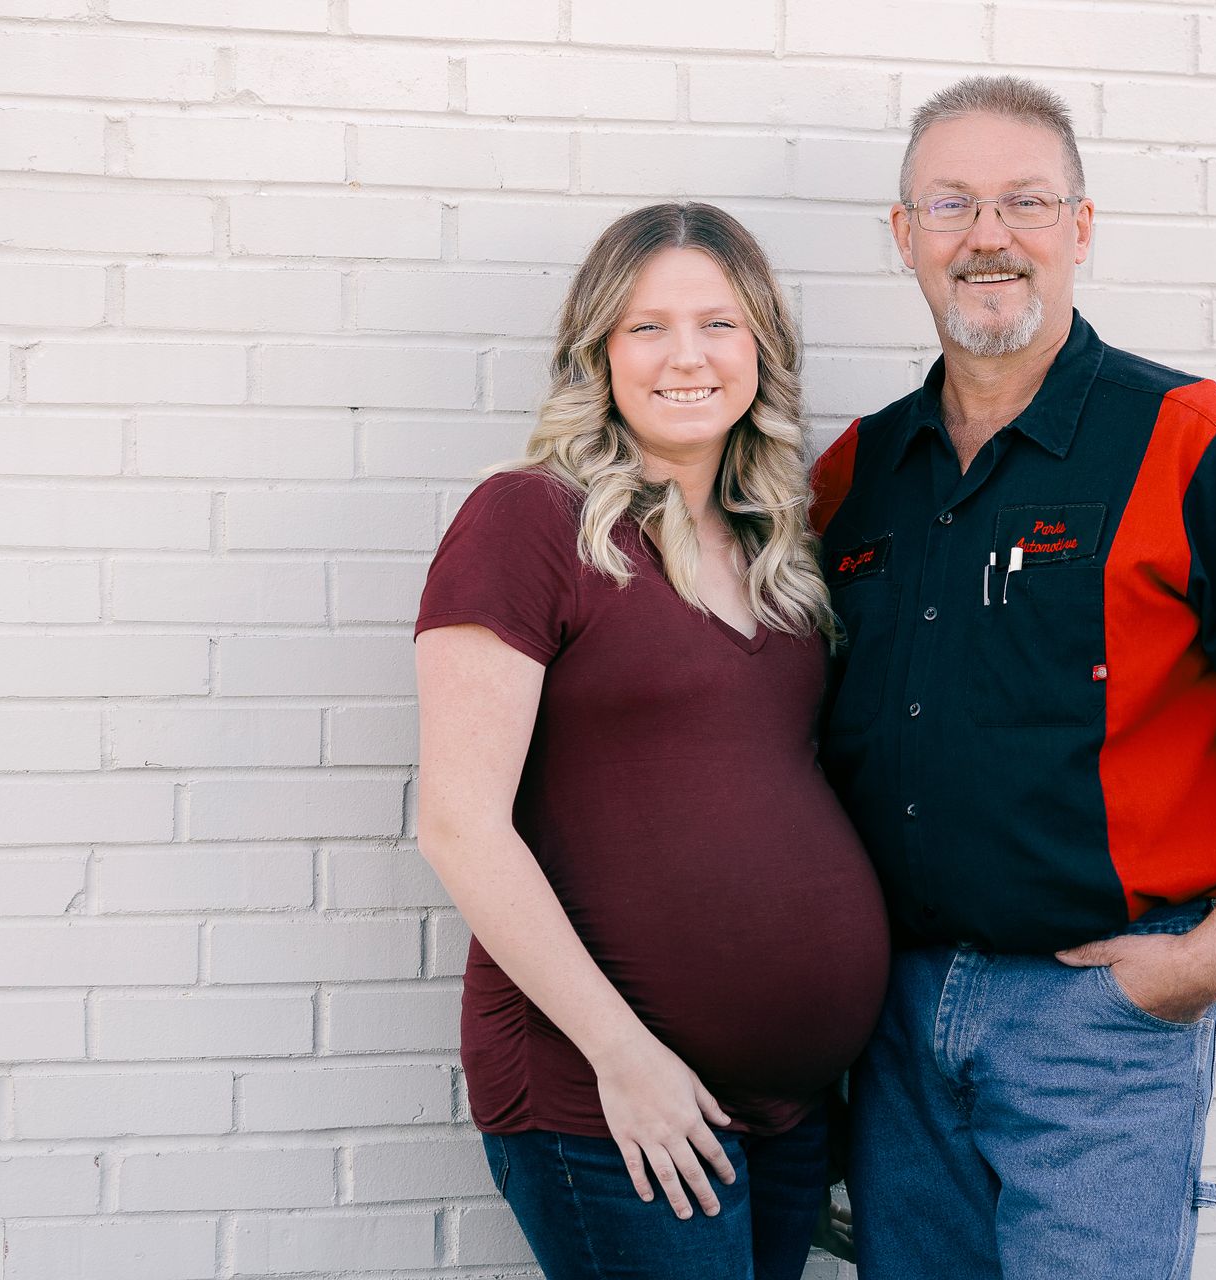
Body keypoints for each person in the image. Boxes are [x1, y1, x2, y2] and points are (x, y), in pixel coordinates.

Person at [809, 75, 1216, 1278]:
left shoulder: (1204, 446)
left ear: (1081, 228)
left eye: (1026, 201)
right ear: (904, 236)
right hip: (891, 1024)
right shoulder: (855, 474)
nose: (989, 235)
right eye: (951, 204)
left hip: (1096, 1024)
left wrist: (1213, 957)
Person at [412, 201, 889, 1280]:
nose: (687, 356)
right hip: (610, 1094)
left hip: (787, 1109)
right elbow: (459, 823)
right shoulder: (528, 519)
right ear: (599, 352)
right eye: (647, 327)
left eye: (719, 324)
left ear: (761, 347)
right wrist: (623, 1056)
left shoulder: (782, 549)